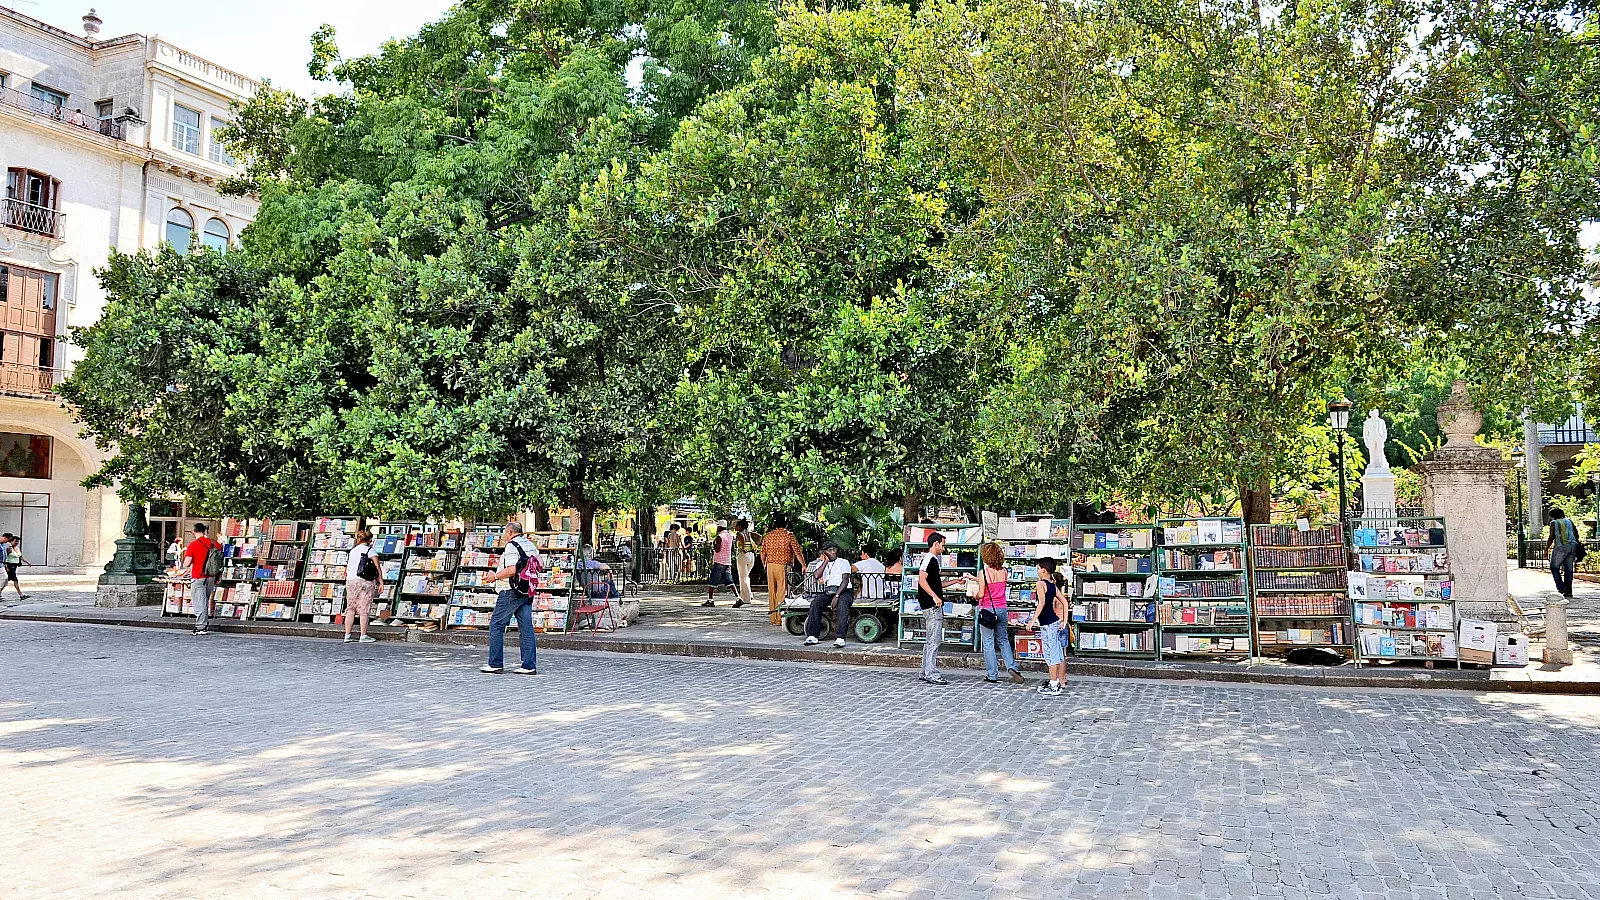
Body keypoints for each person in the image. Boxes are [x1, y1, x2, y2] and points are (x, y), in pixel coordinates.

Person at [481, 522, 543, 675]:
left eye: (505, 533)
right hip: (526, 589)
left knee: (496, 624)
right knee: (526, 628)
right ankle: (529, 665)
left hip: (510, 590)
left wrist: (494, 576)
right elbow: (540, 563)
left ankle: (495, 663)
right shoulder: (529, 544)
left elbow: (511, 569)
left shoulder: (511, 546)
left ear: (509, 532)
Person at [977, 541, 1025, 684]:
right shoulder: (1004, 571)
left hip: (987, 610)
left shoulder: (984, 572)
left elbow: (981, 593)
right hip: (1002, 609)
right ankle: (1012, 667)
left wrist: (974, 595)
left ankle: (992, 674)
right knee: (1003, 640)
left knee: (988, 642)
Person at [1028, 558, 1070, 696]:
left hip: (1047, 623)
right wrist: (1064, 620)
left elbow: (1041, 603)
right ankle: (1055, 681)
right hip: (1055, 621)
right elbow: (1064, 602)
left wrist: (1032, 620)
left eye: (1038, 569)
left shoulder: (1040, 584)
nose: (1038, 571)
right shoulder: (1052, 585)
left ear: (1043, 570)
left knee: (1050, 654)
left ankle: (1053, 684)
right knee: (1056, 653)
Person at [806, 542, 855, 648]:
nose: (833, 552)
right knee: (815, 603)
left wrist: (837, 596)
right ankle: (813, 636)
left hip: (844, 590)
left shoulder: (843, 562)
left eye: (834, 549)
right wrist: (825, 562)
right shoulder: (821, 564)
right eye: (830, 550)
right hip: (829, 591)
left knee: (842, 605)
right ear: (824, 552)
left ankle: (840, 638)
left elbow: (845, 581)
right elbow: (816, 576)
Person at [916, 532, 949, 684]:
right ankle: (932, 673)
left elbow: (935, 583)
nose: (943, 548)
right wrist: (935, 597)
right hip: (932, 605)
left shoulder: (931, 560)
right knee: (934, 640)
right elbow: (922, 579)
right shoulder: (930, 559)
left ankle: (925, 670)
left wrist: (955, 581)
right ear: (936, 544)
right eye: (942, 545)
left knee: (930, 640)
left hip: (929, 603)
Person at [761, 520, 806, 626]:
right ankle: (781, 618)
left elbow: (763, 553)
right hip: (783, 566)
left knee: (772, 591)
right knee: (782, 591)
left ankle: (773, 618)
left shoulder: (768, 536)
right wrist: (804, 565)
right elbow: (797, 551)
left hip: (770, 566)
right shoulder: (788, 535)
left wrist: (765, 564)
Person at [181, 523, 220, 635]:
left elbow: (187, 563)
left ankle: (201, 626)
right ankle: (204, 624)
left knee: (199, 602)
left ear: (194, 532)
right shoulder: (215, 544)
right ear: (205, 531)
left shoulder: (193, 545)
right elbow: (220, 561)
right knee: (205, 601)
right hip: (211, 576)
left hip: (198, 576)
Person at [343, 529, 379, 643]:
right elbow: (378, 567)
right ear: (369, 540)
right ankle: (363, 635)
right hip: (365, 581)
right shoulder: (370, 550)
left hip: (351, 580)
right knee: (364, 608)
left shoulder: (353, 551)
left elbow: (348, 568)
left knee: (351, 608)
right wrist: (381, 582)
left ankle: (347, 635)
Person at [1548, 509, 1583, 600]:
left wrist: (1546, 548)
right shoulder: (1569, 521)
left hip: (1561, 546)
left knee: (1554, 567)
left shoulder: (1554, 523)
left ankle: (1561, 587)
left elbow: (1551, 537)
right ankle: (1569, 591)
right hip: (1573, 545)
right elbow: (1576, 533)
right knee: (1568, 569)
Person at [703, 520, 738, 606]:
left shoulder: (720, 537)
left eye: (717, 526)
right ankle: (738, 597)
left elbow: (717, 549)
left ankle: (710, 600)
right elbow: (732, 549)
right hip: (727, 562)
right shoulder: (730, 536)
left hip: (719, 561)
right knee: (729, 581)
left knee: (713, 581)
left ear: (720, 527)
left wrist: (714, 545)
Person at [733, 518, 759, 608]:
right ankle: (748, 595)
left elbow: (742, 540)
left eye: (736, 525)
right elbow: (759, 536)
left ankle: (746, 599)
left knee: (743, 577)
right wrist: (756, 546)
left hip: (743, 555)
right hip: (751, 555)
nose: (735, 527)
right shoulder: (749, 533)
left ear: (739, 527)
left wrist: (744, 548)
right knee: (746, 576)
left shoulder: (740, 534)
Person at [0, 533, 29, 601]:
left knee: (5, 581)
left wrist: (27, 562)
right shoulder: (8, 548)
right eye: (15, 541)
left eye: (18, 541)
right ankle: (21, 595)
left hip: (12, 566)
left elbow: (20, 556)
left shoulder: (4, 545)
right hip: (9, 566)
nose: (16, 542)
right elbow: (6, 557)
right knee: (7, 579)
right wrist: (6, 566)